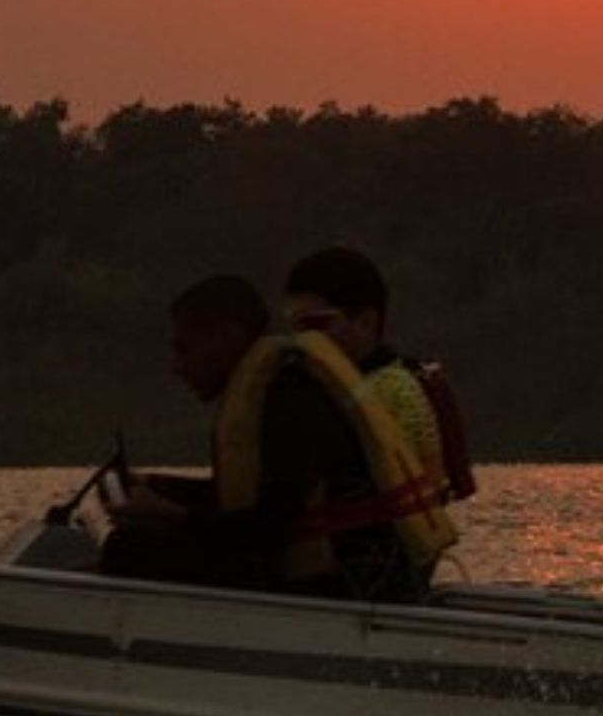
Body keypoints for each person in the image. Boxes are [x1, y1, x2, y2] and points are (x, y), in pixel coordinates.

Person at [101, 273, 453, 603]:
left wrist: (173, 515)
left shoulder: (291, 399)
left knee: (128, 549)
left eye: (184, 349)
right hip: (324, 574)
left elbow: (271, 525)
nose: (177, 365)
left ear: (228, 336)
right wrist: (157, 487)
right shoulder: (274, 390)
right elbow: (249, 501)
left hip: (340, 586)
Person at [282, 248, 477, 521]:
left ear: (365, 322)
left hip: (371, 554)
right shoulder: (357, 387)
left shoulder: (388, 394)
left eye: (317, 324)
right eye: (295, 327)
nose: (304, 339)